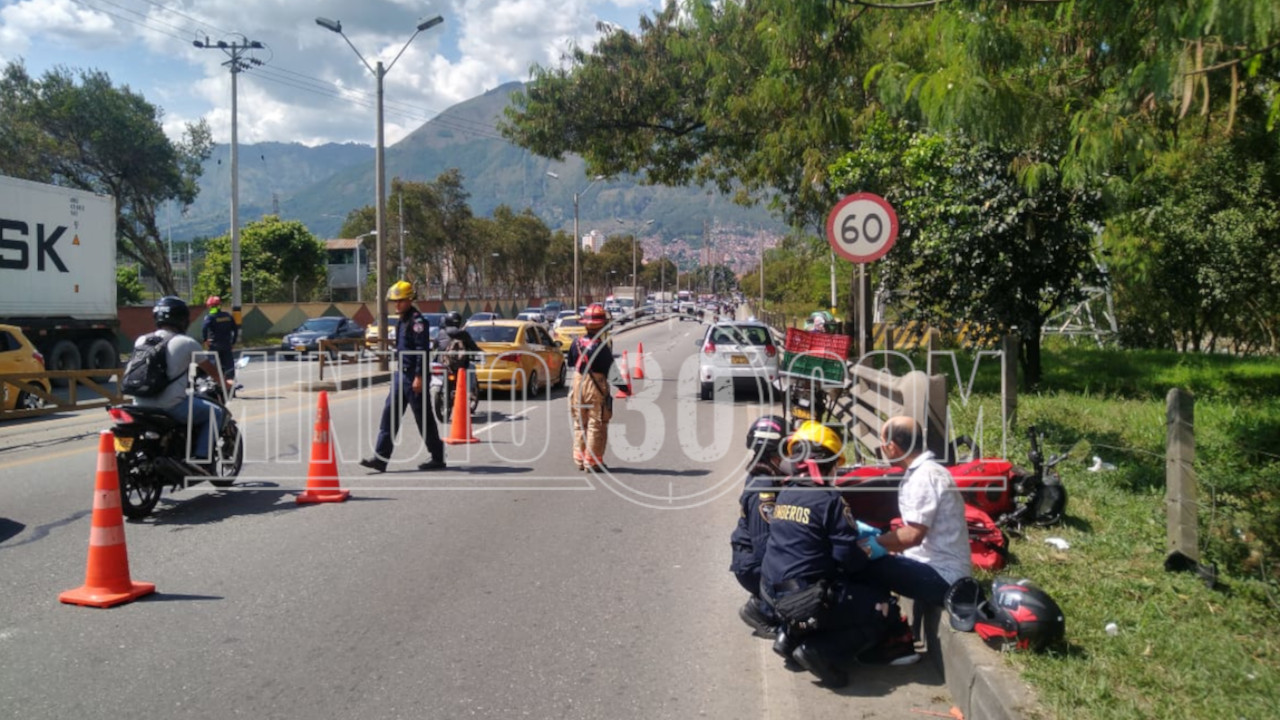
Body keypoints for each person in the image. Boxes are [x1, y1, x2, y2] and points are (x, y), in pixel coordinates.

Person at [760, 421, 910, 687]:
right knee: (883, 605)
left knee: (832, 587)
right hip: (805, 599)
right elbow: (849, 560)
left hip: (772, 594)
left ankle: (790, 637)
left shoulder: (785, 493)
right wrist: (873, 549)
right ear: (828, 463)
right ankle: (821, 652)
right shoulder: (829, 499)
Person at [858, 415, 972, 609]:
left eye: (883, 442)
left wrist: (871, 544)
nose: (882, 447)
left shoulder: (925, 477)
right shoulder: (923, 472)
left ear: (892, 447)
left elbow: (913, 536)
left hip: (944, 578)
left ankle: (882, 626)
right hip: (929, 567)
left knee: (862, 564)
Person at [133, 296, 231, 466]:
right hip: (170, 405)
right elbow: (211, 371)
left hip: (139, 404)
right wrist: (225, 382)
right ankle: (201, 458)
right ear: (182, 319)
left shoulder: (142, 340)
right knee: (216, 413)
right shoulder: (187, 343)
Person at [360, 281, 446, 473]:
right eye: (394, 301)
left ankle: (438, 457)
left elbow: (421, 351)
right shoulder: (401, 321)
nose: (396, 305)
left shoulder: (417, 322)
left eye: (400, 301)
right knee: (389, 416)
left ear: (409, 300)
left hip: (414, 377)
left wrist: (420, 377)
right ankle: (380, 459)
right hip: (401, 376)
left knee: (424, 419)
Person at [730, 415, 790, 639]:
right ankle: (761, 610)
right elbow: (764, 547)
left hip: (756, 559)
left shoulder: (771, 474)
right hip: (753, 565)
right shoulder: (762, 487)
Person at [567, 303, 619, 471]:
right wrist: (624, 388)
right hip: (594, 386)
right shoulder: (601, 347)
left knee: (580, 421)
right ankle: (592, 461)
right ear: (602, 325)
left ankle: (579, 458)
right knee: (596, 423)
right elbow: (612, 371)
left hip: (577, 383)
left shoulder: (575, 344)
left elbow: (570, 362)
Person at [435, 311, 482, 403]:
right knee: (472, 367)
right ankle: (469, 391)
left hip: (443, 362)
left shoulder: (441, 333)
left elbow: (435, 346)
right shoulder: (462, 333)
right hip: (459, 364)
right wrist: (480, 352)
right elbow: (473, 346)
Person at [201, 295, 240, 387]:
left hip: (214, 345)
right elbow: (235, 329)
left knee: (213, 366)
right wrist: (233, 342)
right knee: (229, 366)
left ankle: (216, 385)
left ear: (210, 306)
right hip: (227, 345)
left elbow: (204, 328)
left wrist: (205, 340)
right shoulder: (228, 316)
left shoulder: (210, 317)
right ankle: (231, 387)